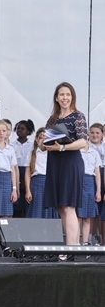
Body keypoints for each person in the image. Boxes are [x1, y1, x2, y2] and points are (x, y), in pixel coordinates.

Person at [43, 82, 87, 246]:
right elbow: (45, 144)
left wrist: (62, 147)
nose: (65, 98)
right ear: (56, 98)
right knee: (60, 207)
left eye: (68, 94)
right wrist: (43, 143)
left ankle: (70, 248)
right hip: (55, 163)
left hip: (70, 162)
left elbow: (83, 142)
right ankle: (72, 247)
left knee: (69, 206)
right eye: (62, 94)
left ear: (72, 97)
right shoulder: (52, 119)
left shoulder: (78, 116)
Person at [25, 128, 57, 219]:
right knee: (36, 208)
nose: (43, 140)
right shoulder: (31, 154)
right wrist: (28, 190)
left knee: (50, 208)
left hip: (50, 182)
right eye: (41, 137)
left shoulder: (53, 154)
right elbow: (27, 173)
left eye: (46, 138)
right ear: (36, 139)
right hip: (36, 183)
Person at [78, 145, 100, 245]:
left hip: (90, 182)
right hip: (78, 181)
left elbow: (97, 172)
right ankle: (75, 242)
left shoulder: (94, 152)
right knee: (77, 215)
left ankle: (85, 242)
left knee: (87, 216)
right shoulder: (77, 151)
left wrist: (98, 190)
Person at [12, 119, 35, 218]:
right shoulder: (11, 145)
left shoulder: (32, 145)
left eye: (22, 129)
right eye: (17, 128)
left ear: (28, 131)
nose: (19, 130)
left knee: (27, 202)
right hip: (15, 171)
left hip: (27, 172)